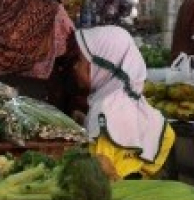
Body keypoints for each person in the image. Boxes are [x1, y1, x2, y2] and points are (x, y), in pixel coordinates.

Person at [73, 25, 175, 180]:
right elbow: (168, 134)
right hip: (139, 188)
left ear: (101, 68)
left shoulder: (104, 112)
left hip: (112, 193)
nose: (75, 67)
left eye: (80, 60)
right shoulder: (136, 103)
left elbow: (99, 167)